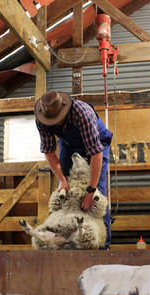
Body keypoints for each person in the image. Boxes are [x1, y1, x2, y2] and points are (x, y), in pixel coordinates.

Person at [34, 91, 112, 249]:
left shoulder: (81, 113)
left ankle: (102, 246)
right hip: (68, 144)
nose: (55, 123)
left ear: (65, 110)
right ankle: (54, 240)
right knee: (61, 193)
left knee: (98, 195)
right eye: (52, 121)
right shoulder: (41, 118)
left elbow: (96, 153)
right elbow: (49, 151)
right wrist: (62, 181)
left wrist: (90, 190)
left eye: (58, 120)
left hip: (97, 142)